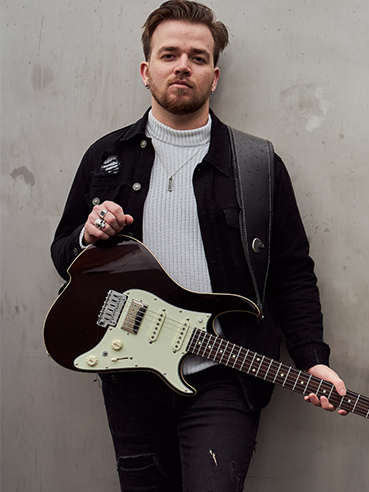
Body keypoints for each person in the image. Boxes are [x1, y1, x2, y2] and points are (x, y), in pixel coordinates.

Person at [50, 1, 346, 490]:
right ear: (147, 71)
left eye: (198, 56)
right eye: (169, 54)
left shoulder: (257, 164)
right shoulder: (106, 158)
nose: (182, 65)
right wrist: (88, 238)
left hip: (224, 371)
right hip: (131, 372)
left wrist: (312, 355)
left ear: (215, 75)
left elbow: (292, 271)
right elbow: (63, 256)